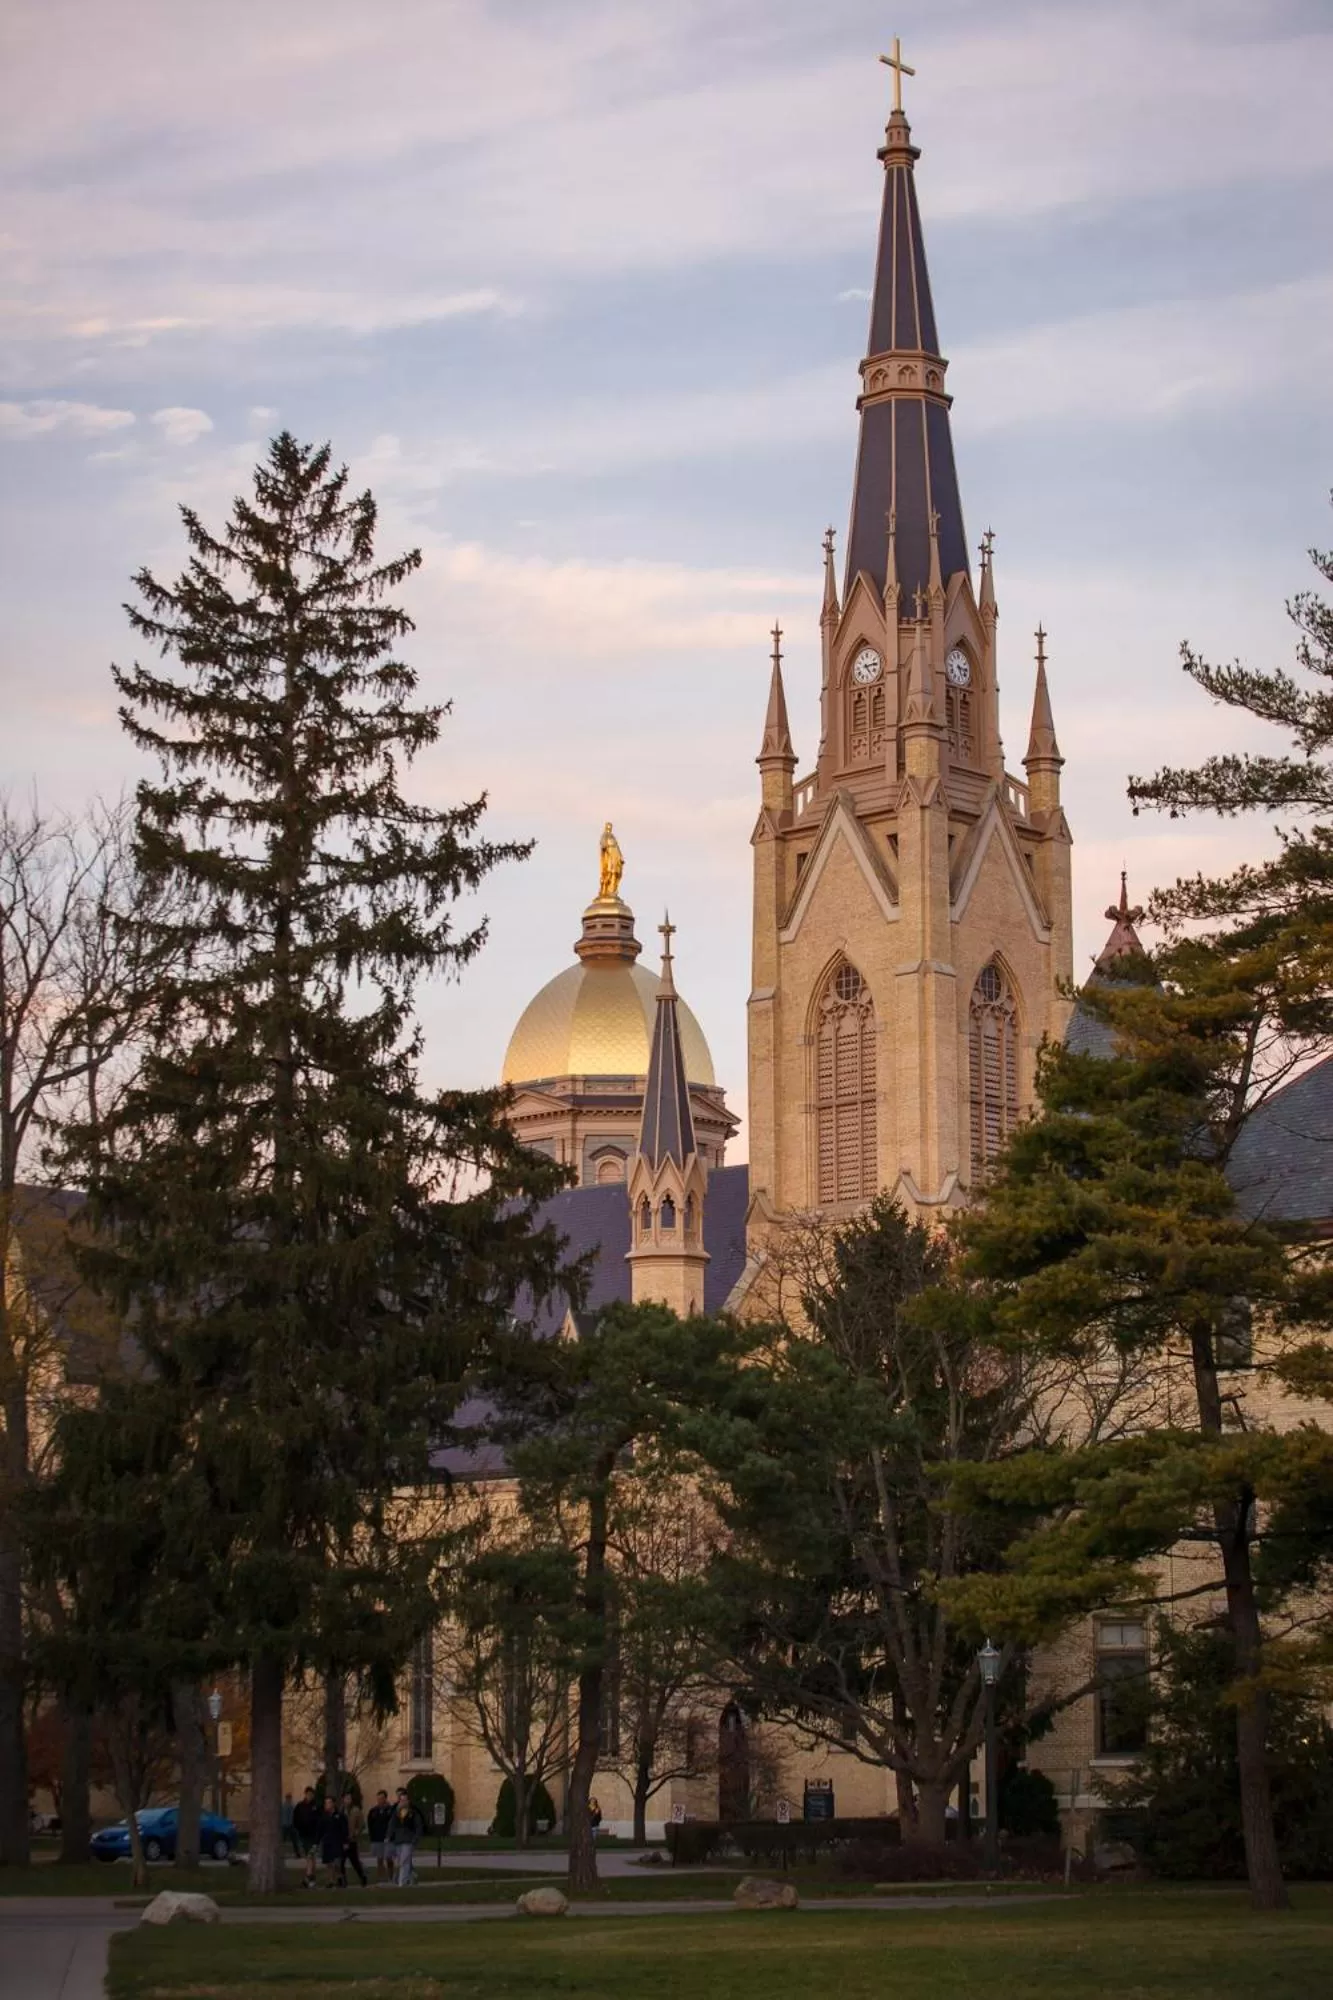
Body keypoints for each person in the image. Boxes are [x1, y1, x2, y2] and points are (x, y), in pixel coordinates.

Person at [390, 1789, 422, 1888]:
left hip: (408, 1841)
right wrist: (388, 1836)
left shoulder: (413, 1813)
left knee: (404, 1861)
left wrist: (415, 1839)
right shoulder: (396, 1813)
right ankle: (410, 1878)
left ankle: (402, 1883)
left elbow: (419, 1826)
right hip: (398, 1840)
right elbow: (391, 1825)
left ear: (408, 1801)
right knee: (403, 1861)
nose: (403, 1803)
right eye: (401, 1800)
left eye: (405, 1800)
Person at [291, 1785, 320, 1887]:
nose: (310, 1796)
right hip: (303, 1835)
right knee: (309, 1858)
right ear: (305, 1794)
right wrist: (298, 1829)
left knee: (310, 1856)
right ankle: (311, 1878)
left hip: (313, 1836)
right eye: (308, 1794)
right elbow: (295, 1819)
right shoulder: (300, 1806)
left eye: (312, 1795)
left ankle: (308, 1877)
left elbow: (318, 1822)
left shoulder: (315, 1807)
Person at [319, 1792, 349, 1889]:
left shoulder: (340, 1816)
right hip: (327, 1842)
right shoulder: (323, 1817)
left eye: (329, 1803)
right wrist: (317, 1842)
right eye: (326, 1803)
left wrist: (345, 1842)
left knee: (336, 1863)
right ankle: (330, 1881)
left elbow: (344, 1830)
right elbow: (320, 1830)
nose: (327, 1805)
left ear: (333, 1804)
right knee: (328, 1863)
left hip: (337, 1842)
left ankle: (340, 1878)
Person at [366, 1788, 394, 1881]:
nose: (379, 1801)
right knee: (379, 1859)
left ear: (385, 1798)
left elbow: (393, 1824)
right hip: (377, 1838)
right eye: (378, 1799)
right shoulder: (373, 1811)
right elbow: (370, 1824)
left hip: (388, 1838)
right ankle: (381, 1877)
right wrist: (372, 1837)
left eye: (381, 1798)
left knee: (389, 1858)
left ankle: (391, 1876)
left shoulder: (390, 1810)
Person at [342, 1789, 367, 1887]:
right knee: (341, 1861)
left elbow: (362, 1824)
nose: (347, 1800)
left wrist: (356, 1832)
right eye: (346, 1798)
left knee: (354, 1861)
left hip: (352, 1840)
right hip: (343, 1840)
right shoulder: (341, 1810)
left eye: (349, 1798)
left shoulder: (356, 1810)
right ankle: (343, 1881)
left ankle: (362, 1877)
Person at [280, 1792, 296, 1859]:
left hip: (287, 1825)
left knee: (292, 1840)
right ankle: (282, 1853)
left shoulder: (285, 1806)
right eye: (289, 1798)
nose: (289, 1799)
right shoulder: (288, 1806)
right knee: (285, 1840)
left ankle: (295, 1853)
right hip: (287, 1825)